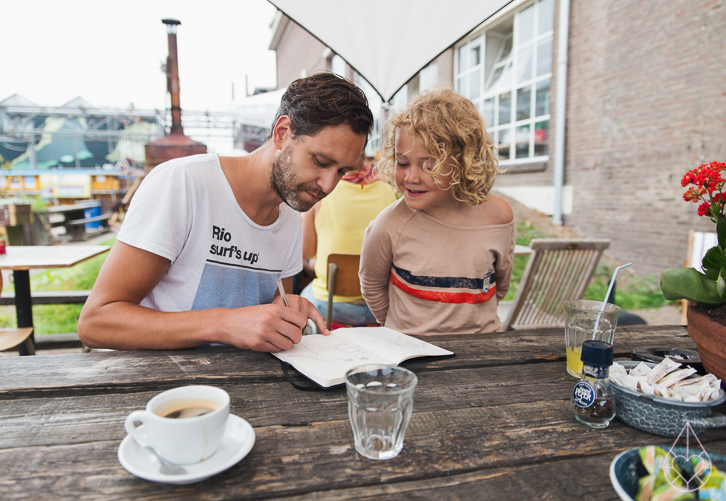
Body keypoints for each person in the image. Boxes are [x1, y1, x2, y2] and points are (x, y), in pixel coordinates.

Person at [78, 72, 374, 352]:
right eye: (321, 161)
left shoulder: (290, 217)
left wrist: (285, 313)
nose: (328, 184)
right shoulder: (184, 182)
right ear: (282, 133)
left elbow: (269, 313)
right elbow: (96, 322)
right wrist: (224, 324)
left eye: (342, 172)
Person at [359, 88, 515, 336]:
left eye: (429, 165)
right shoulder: (389, 224)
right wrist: (400, 330)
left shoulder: (499, 217)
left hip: (483, 350)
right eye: (402, 162)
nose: (411, 177)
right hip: (412, 353)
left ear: (464, 162)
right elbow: (372, 286)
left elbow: (500, 284)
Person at [300, 155, 397, 327]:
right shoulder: (390, 191)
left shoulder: (321, 193)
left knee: (300, 299)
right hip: (381, 305)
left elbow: (306, 252)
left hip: (331, 305)